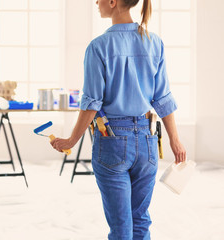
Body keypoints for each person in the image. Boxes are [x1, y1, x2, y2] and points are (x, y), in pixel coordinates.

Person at [50, 0, 186, 239]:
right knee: (140, 220)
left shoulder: (99, 47)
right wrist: (175, 141)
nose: (96, 2)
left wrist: (72, 140)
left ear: (112, 2)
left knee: (121, 226)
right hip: (147, 140)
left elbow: (91, 103)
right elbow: (163, 98)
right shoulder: (155, 43)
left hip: (112, 142)